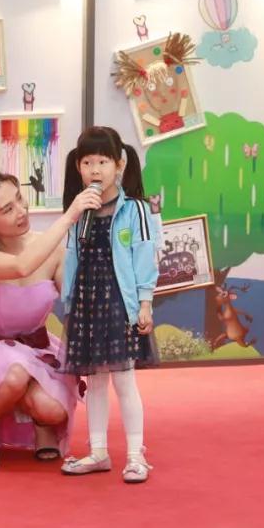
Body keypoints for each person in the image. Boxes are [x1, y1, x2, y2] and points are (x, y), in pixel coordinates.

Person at [0, 169, 103, 467]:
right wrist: (70, 217)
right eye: (7, 209)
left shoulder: (50, 247)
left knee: (53, 410)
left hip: (37, 351)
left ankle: (38, 419)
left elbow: (75, 300)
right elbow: (21, 266)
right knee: (14, 373)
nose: (21, 210)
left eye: (19, 198)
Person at [58, 127, 160, 483]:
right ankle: (98, 451)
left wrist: (145, 304)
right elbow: (71, 259)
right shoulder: (79, 211)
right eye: (87, 162)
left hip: (120, 303)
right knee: (96, 382)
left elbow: (145, 258)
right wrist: (69, 304)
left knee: (124, 380)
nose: (95, 169)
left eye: (103, 161)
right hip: (87, 303)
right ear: (78, 167)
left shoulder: (136, 210)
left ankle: (135, 455)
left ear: (120, 164)